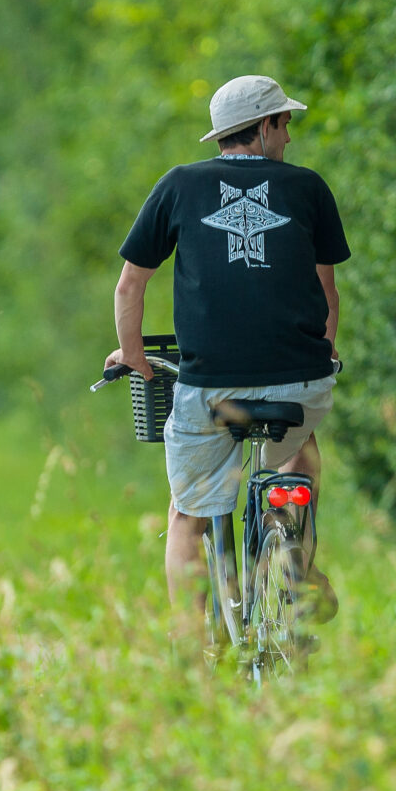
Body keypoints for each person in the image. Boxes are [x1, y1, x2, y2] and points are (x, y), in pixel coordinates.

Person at [109, 74, 349, 622]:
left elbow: (130, 285)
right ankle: (295, 557)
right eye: (284, 125)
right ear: (264, 126)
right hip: (300, 383)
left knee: (187, 515)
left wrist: (135, 356)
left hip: (209, 389)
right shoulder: (308, 187)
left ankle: (191, 660)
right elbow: (327, 293)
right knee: (298, 453)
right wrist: (323, 353)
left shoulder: (178, 185)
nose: (288, 138)